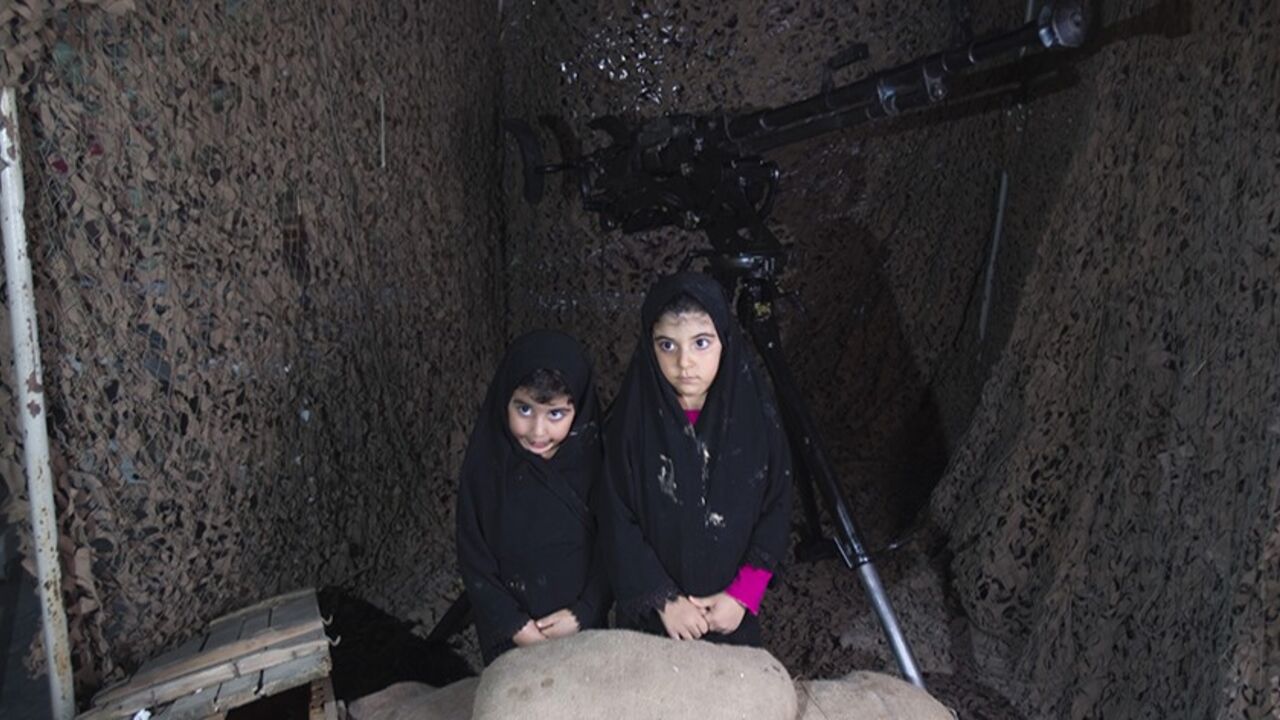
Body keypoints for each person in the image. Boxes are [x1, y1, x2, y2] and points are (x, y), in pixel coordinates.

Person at [600, 272, 792, 646]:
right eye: (667, 345)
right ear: (648, 346)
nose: (685, 362)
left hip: (729, 616)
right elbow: (615, 516)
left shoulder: (756, 420)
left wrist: (742, 594)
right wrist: (661, 599)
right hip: (654, 620)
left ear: (726, 341)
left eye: (701, 343)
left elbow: (778, 504)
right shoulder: (630, 424)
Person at [456, 330, 610, 664]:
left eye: (555, 413)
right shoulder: (486, 466)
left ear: (579, 409)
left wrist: (584, 612)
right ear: (503, 400)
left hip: (580, 630)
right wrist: (513, 623)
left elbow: (613, 547)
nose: (538, 431)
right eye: (524, 409)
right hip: (508, 635)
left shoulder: (597, 466)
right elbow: (473, 557)